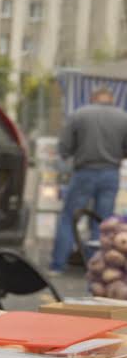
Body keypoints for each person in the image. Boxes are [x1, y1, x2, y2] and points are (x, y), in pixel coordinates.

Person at [50, 86, 127, 274]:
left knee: (69, 217)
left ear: (93, 98)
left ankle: (58, 265)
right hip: (110, 173)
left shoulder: (79, 114)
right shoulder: (123, 117)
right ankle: (96, 266)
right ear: (111, 99)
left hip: (84, 172)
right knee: (103, 222)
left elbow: (64, 147)